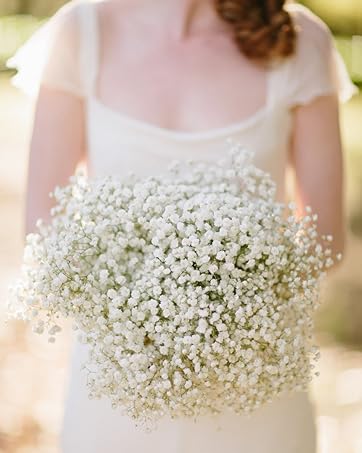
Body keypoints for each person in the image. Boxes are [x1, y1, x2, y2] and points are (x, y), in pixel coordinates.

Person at [7, 0, 358, 451]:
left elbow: (325, 238)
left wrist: (219, 300)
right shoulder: (82, 33)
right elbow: (43, 233)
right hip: (119, 389)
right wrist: (150, 313)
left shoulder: (299, 40)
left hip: (254, 383)